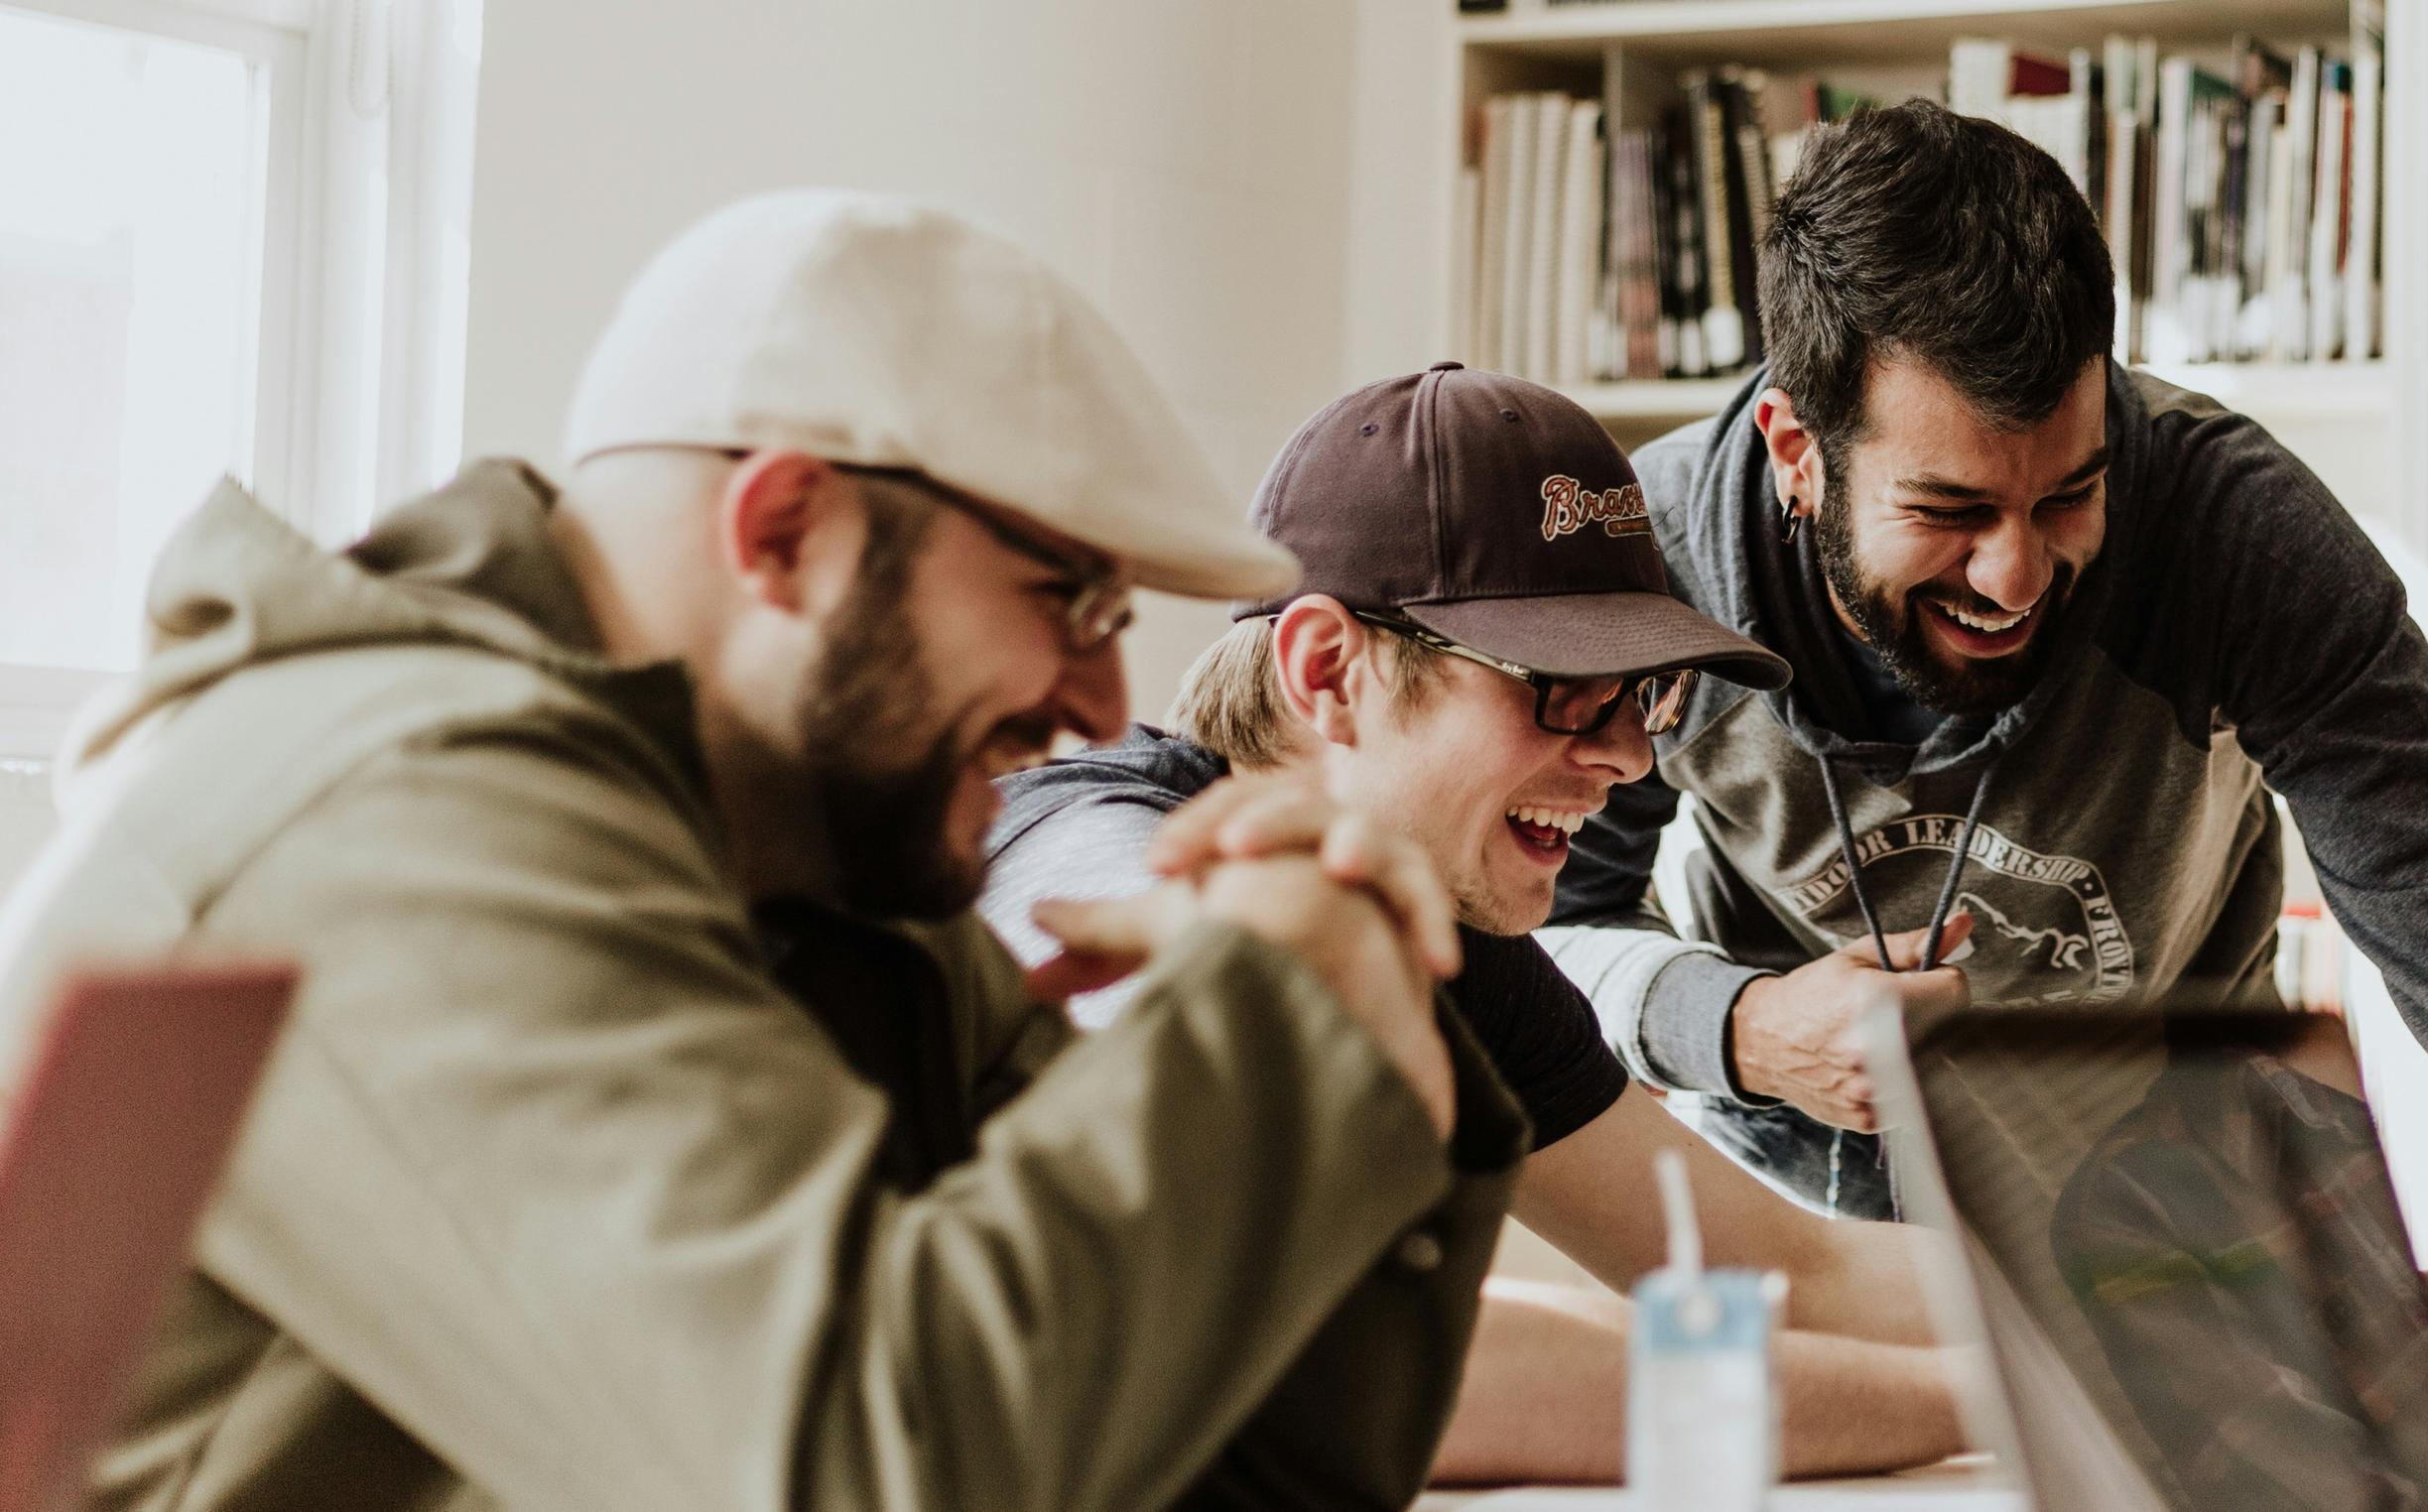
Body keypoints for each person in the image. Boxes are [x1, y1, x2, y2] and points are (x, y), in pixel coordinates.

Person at [0, 190, 1519, 1510]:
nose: (1104, 702)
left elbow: (1247, 1472)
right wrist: (1272, 1007)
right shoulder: (391, 818)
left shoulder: (814, 859)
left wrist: (1372, 1018)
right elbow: (870, 1469)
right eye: (1066, 598)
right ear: (785, 527)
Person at [980, 365, 2428, 1483]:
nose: (1626, 756)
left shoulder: (1452, 932)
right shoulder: (1101, 859)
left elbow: (1774, 1260)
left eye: (1644, 699)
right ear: (1330, 669)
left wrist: (2307, 1307)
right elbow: (1361, 1353)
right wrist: (2102, 1391)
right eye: (1564, 692)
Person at [1533, 99, 2428, 1325]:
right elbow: (1536, 930)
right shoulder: (1654, 569)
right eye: (1951, 511)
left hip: (2178, 1226)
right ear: (1797, 448)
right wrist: (1739, 1026)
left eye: (2069, 495)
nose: (2014, 577)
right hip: (1797, 1243)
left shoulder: (2235, 529)